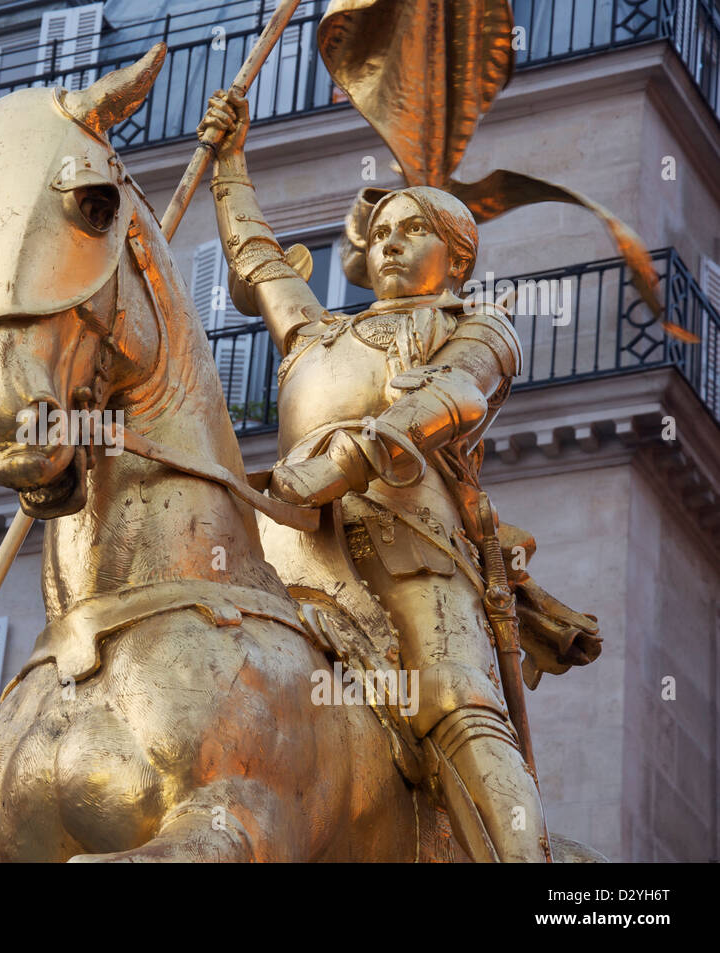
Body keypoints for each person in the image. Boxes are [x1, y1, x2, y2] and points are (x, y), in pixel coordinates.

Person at [197, 87, 561, 861]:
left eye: (414, 230)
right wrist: (230, 166)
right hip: (285, 540)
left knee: (458, 703)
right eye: (383, 233)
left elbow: (455, 393)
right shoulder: (317, 331)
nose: (391, 244)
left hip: (410, 542)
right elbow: (258, 258)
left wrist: (351, 457)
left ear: (456, 255)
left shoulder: (471, 324)